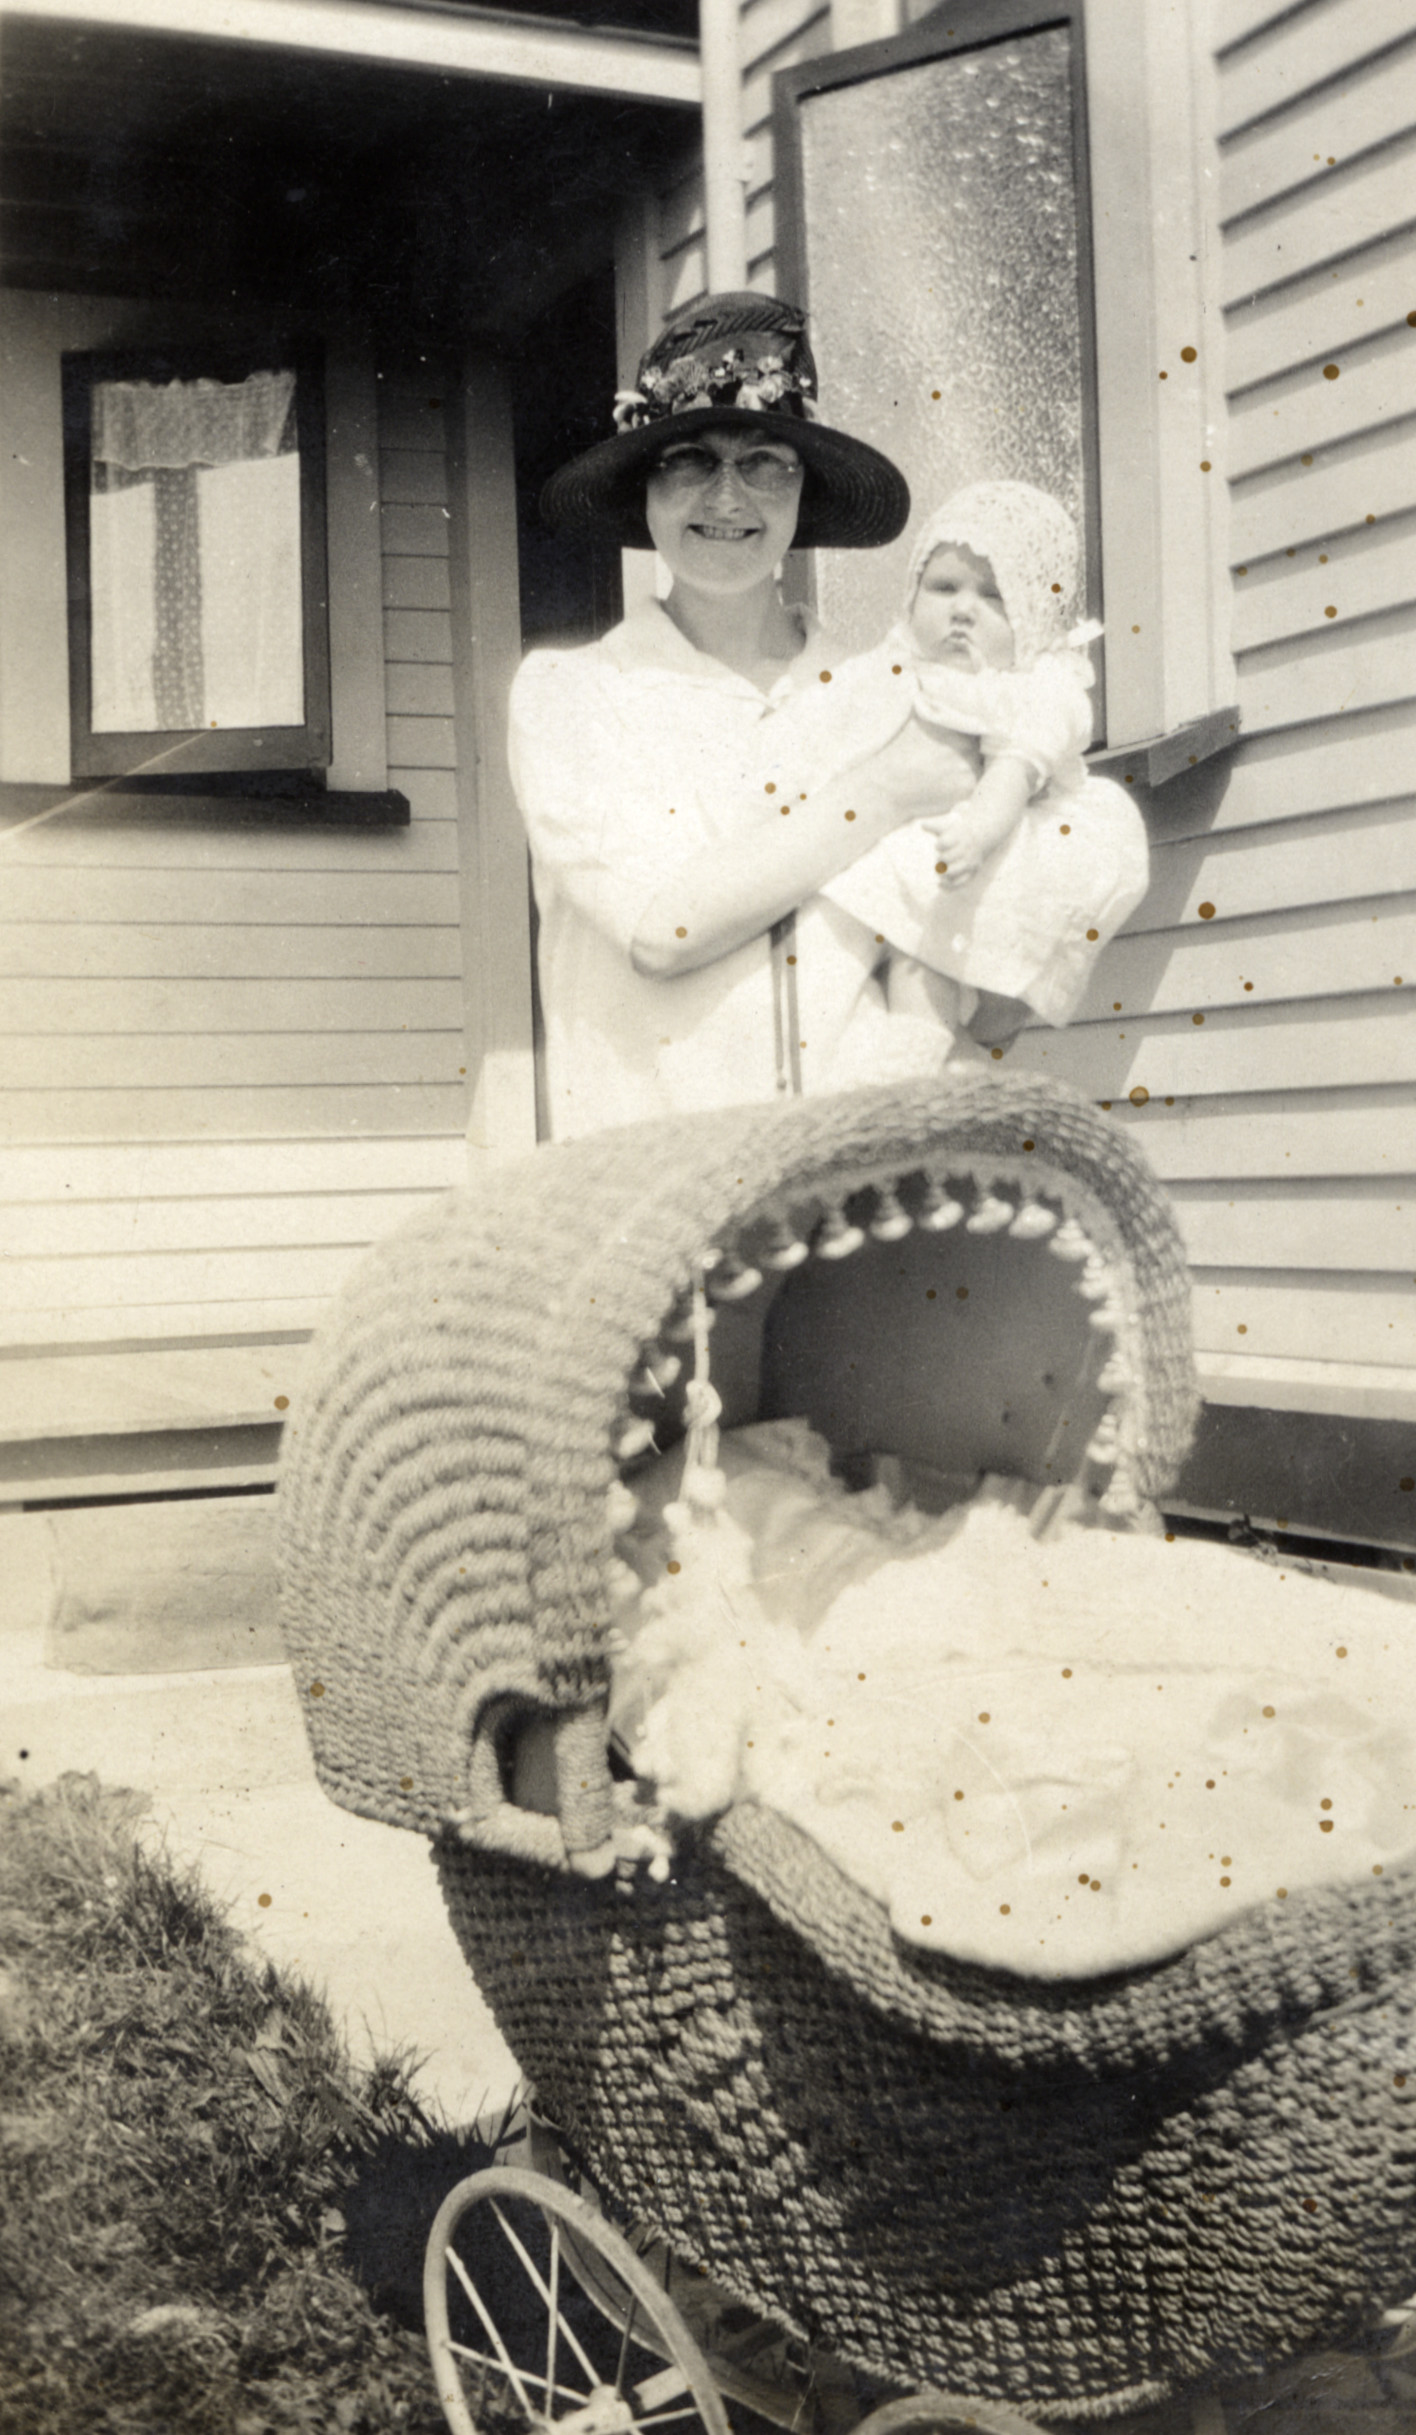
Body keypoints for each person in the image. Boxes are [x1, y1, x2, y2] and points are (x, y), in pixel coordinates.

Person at [509, 291, 981, 1138]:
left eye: (765, 463)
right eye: (689, 460)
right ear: (644, 488)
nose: (727, 498)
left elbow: (957, 961)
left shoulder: (885, 693)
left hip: (855, 1173)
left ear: (804, 491)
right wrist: (883, 793)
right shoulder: (575, 696)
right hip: (657, 1184)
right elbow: (663, 930)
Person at [808, 482, 1151, 1057]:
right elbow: (839, 726)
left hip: (1004, 843)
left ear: (1033, 618)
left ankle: (938, 1056)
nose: (962, 610)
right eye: (943, 587)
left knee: (936, 964)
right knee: (904, 960)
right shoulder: (895, 669)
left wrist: (976, 833)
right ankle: (922, 1062)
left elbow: (1013, 772)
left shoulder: (1037, 688)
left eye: (994, 597)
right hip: (938, 848)